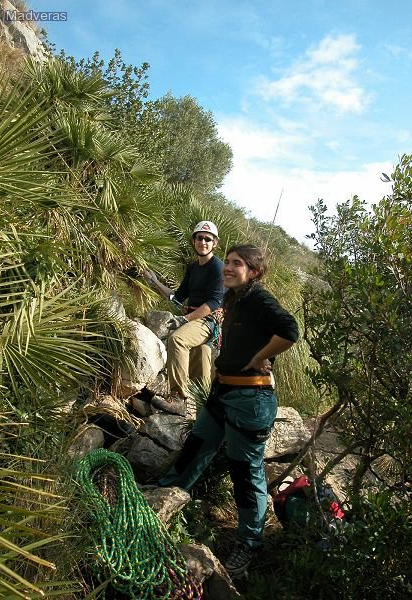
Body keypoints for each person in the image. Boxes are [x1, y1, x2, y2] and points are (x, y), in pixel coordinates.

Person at [158, 244, 299, 577]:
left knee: (244, 473)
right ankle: (169, 492)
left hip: (250, 400)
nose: (230, 268)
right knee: (197, 444)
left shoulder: (258, 298)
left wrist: (259, 357)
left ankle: (249, 545)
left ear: (254, 271)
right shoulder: (234, 298)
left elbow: (289, 330)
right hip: (223, 391)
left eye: (238, 264)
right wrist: (258, 352)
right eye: (230, 262)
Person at [143, 221, 224, 416]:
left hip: (208, 320)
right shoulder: (193, 268)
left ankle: (178, 398)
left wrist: (185, 320)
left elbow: (214, 302)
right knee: (201, 358)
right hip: (195, 318)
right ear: (193, 240)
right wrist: (155, 282)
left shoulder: (217, 267)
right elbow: (177, 296)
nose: (203, 242)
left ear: (215, 243)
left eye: (208, 239)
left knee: (178, 339)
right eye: (199, 238)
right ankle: (200, 404)